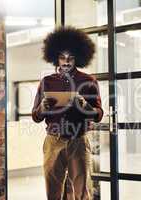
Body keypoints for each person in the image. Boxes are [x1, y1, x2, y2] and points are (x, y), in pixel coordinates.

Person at [31, 26, 104, 200]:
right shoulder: (47, 82)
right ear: (56, 58)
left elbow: (99, 113)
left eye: (70, 58)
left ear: (77, 58)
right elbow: (35, 116)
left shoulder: (88, 81)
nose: (66, 62)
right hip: (53, 141)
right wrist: (42, 107)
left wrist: (85, 105)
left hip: (78, 141)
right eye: (62, 57)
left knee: (82, 192)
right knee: (53, 191)